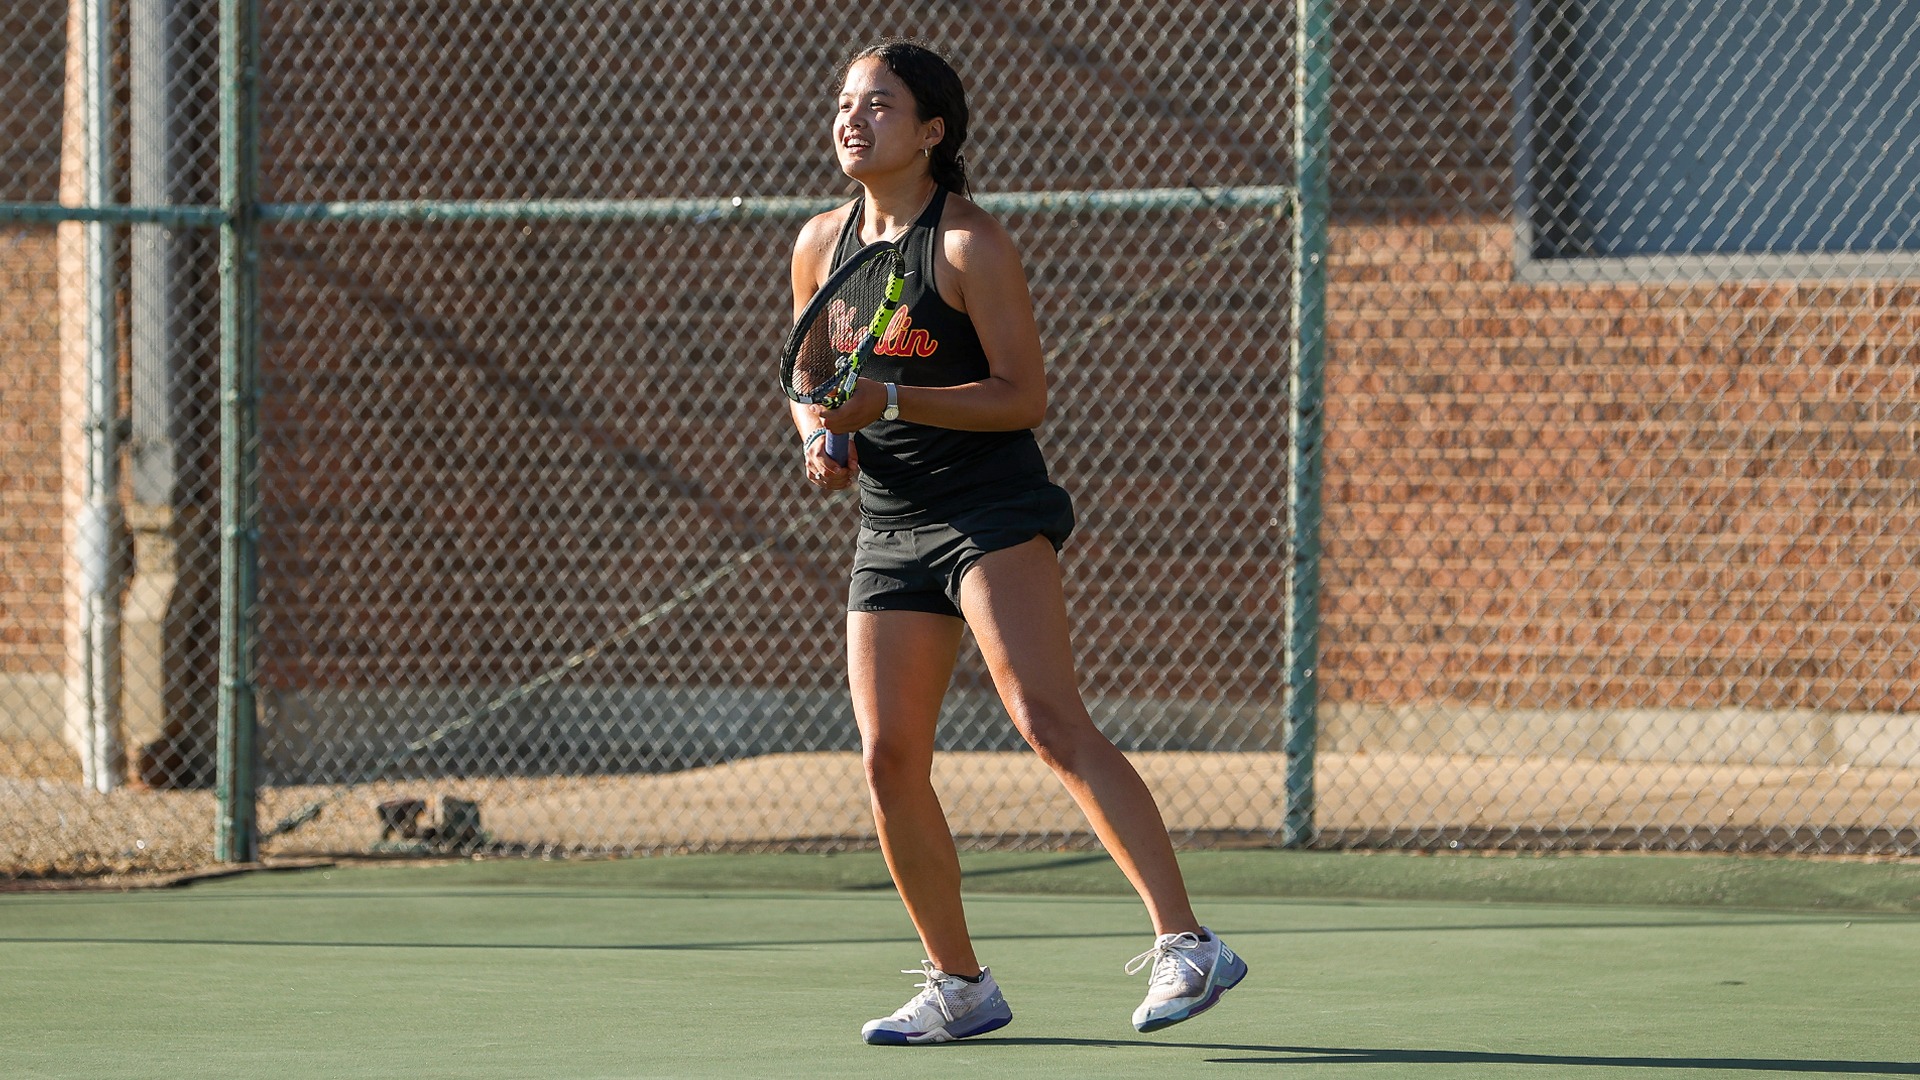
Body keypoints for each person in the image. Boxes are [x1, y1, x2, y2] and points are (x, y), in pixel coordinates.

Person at [787, 39, 1247, 1045]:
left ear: (932, 130)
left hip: (988, 512)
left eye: (879, 104)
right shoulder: (820, 243)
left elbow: (1022, 396)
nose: (853, 119)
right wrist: (823, 440)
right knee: (888, 760)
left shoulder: (970, 244)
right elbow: (809, 375)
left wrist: (892, 400)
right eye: (846, 102)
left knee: (1046, 719)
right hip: (889, 522)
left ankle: (1189, 943)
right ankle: (959, 985)